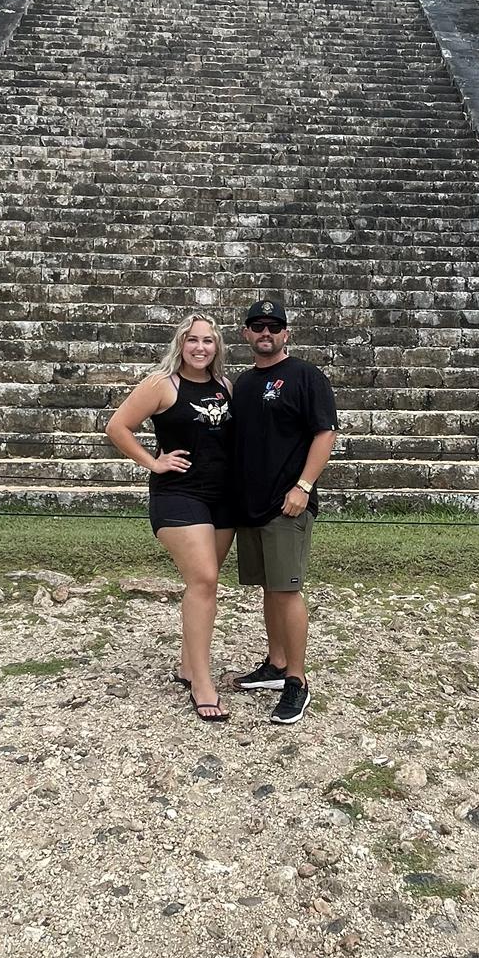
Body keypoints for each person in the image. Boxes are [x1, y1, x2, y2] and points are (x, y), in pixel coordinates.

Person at [105, 314, 236, 722]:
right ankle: (202, 682)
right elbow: (118, 426)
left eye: (208, 341)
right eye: (193, 340)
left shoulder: (226, 387)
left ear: (217, 348)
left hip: (222, 498)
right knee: (204, 580)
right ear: (181, 343)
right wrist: (153, 462)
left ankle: (186, 665)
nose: (200, 347)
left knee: (205, 585)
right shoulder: (161, 384)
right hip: (179, 494)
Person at [229, 299, 339, 726]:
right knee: (269, 588)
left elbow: (324, 433)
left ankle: (297, 679)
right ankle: (276, 664)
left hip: (287, 503)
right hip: (250, 504)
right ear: (246, 334)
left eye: (274, 326)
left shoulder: (305, 376)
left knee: (288, 589)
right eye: (257, 326)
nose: (265, 333)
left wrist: (303, 486)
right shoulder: (243, 383)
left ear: (286, 334)